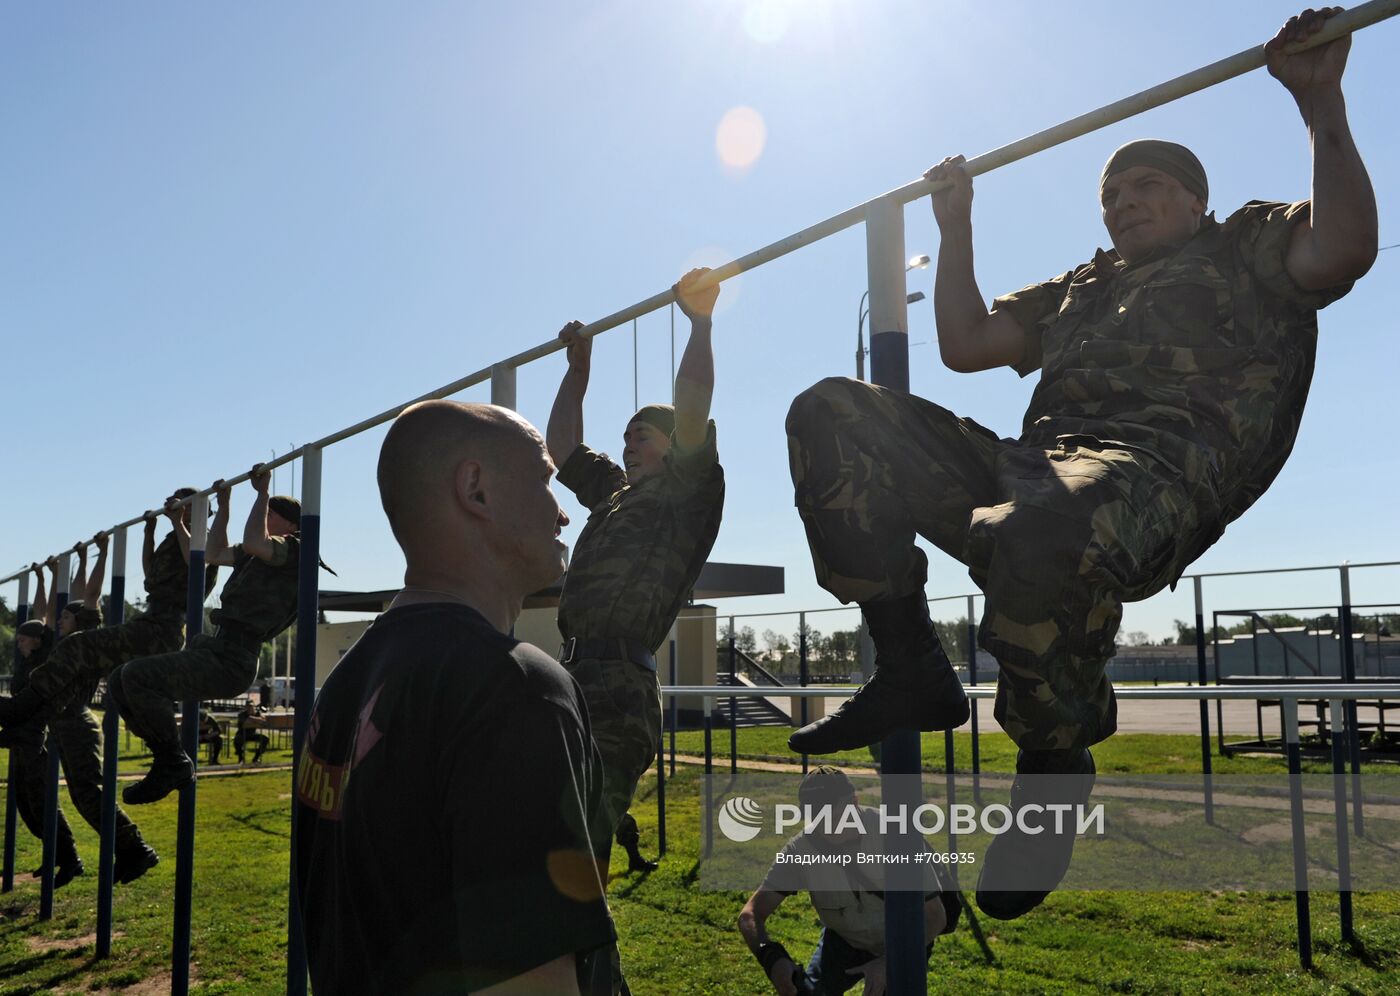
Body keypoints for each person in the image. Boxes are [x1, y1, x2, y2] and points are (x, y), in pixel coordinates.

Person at [783, 6, 1376, 922]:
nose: (1123, 203)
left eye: (1145, 186)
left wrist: (1322, 106)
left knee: (1040, 530)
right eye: (1110, 194)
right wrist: (957, 220)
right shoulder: (1081, 285)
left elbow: (1342, 249)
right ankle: (908, 660)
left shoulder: (1245, 247)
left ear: (1195, 201)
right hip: (1036, 467)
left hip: (1154, 476)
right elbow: (968, 344)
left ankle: (1054, 758)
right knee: (832, 412)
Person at [295, 400, 614, 995]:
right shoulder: (515, 688)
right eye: (545, 479)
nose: (563, 513)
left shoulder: (343, 686)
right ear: (477, 490)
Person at [546, 267, 726, 886]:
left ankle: (587, 974)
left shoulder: (687, 490)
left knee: (581, 846)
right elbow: (562, 449)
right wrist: (578, 372)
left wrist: (699, 322)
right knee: (542, 833)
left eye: (640, 436)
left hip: (620, 685)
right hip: (566, 672)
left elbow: (695, 406)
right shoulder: (616, 493)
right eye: (623, 438)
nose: (626, 447)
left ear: (674, 443)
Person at [109, 467, 308, 804]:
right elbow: (214, 553)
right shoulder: (260, 550)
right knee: (118, 682)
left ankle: (171, 762)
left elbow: (253, 541)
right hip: (218, 647)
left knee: (136, 676)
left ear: (290, 524)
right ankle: (167, 756)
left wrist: (261, 494)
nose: (264, 515)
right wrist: (225, 506)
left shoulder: (295, 549)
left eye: (271, 512)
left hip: (235, 658)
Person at [0, 488, 218, 735]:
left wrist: (178, 521)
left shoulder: (202, 536)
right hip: (150, 621)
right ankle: (31, 724)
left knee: (77, 646)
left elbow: (196, 560)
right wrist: (149, 532)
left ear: (198, 508)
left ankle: (21, 707)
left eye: (182, 500)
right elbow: (150, 575)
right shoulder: (173, 537)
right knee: (86, 670)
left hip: (164, 628)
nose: (173, 502)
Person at [737, 767, 958, 996]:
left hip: (904, 940)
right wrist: (771, 959)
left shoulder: (897, 834)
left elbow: (935, 916)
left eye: (833, 815)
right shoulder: (800, 849)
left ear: (854, 803)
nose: (826, 827)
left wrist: (888, 963)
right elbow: (749, 915)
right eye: (815, 817)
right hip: (843, 941)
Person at [234, 698, 269, 764]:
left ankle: (256, 758)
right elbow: (245, 723)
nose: (250, 708)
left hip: (252, 734)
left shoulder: (257, 713)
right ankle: (241, 758)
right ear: (246, 707)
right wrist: (256, 721)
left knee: (265, 739)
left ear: (254, 706)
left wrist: (251, 719)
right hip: (242, 733)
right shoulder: (241, 714)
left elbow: (264, 721)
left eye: (251, 706)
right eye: (248, 706)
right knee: (237, 740)